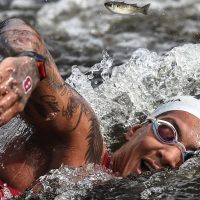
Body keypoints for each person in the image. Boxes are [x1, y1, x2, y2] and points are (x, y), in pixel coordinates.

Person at [0, 17, 199, 198]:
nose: (172, 156)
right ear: (135, 130)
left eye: (188, 157)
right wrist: (27, 63)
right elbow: (23, 33)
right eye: (167, 131)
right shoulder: (83, 142)